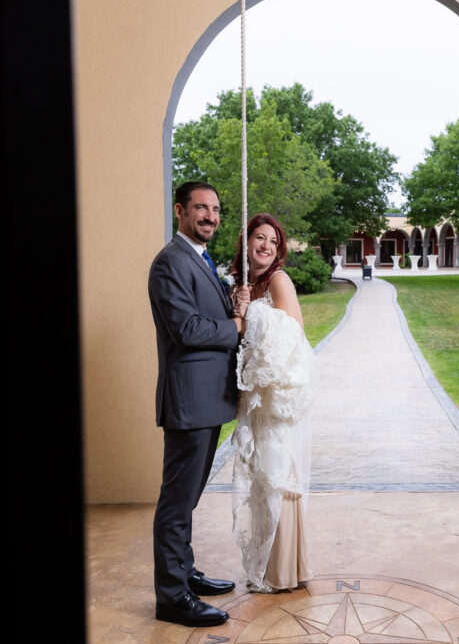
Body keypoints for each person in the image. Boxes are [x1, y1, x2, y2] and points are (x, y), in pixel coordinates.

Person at [147, 181, 251, 627]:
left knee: (187, 499)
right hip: (188, 402)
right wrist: (236, 324)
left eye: (215, 209)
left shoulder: (200, 258)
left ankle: (184, 573)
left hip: (207, 401)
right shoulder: (170, 262)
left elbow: (202, 312)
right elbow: (187, 329)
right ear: (180, 211)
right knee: (176, 503)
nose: (210, 216)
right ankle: (171, 597)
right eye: (201, 208)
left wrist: (229, 300)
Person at [229, 213, 315, 593]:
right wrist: (240, 309)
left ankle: (285, 569)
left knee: (279, 472)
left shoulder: (279, 281)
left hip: (277, 396)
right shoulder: (246, 284)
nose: (265, 245)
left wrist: (248, 320)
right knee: (263, 477)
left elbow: (292, 333)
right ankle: (267, 566)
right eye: (259, 238)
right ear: (246, 242)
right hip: (257, 399)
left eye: (273, 241)